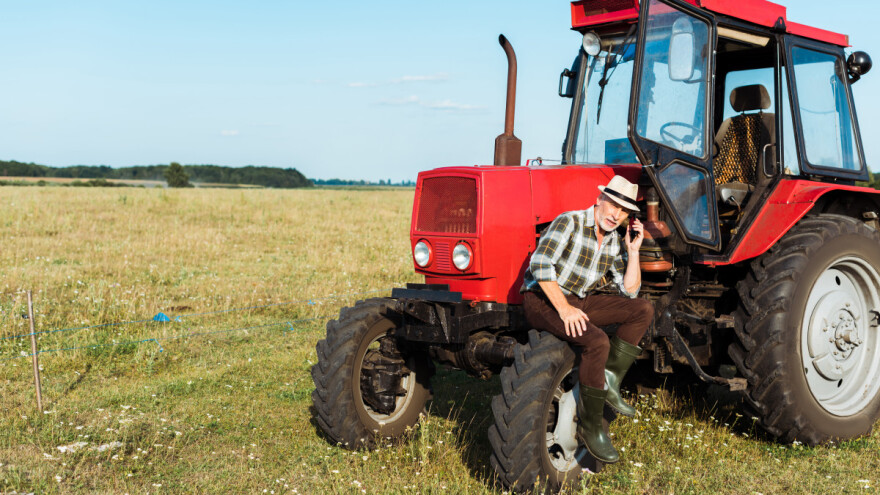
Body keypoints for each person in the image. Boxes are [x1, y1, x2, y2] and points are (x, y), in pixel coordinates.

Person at [521, 175, 653, 464]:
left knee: (642, 309)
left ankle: (609, 379)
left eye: (623, 211)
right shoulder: (569, 222)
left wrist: (633, 252)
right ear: (599, 200)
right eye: (612, 205)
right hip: (543, 298)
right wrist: (564, 310)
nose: (615, 214)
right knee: (596, 341)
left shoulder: (615, 241)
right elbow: (540, 264)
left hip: (579, 299)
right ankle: (592, 428)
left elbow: (630, 291)